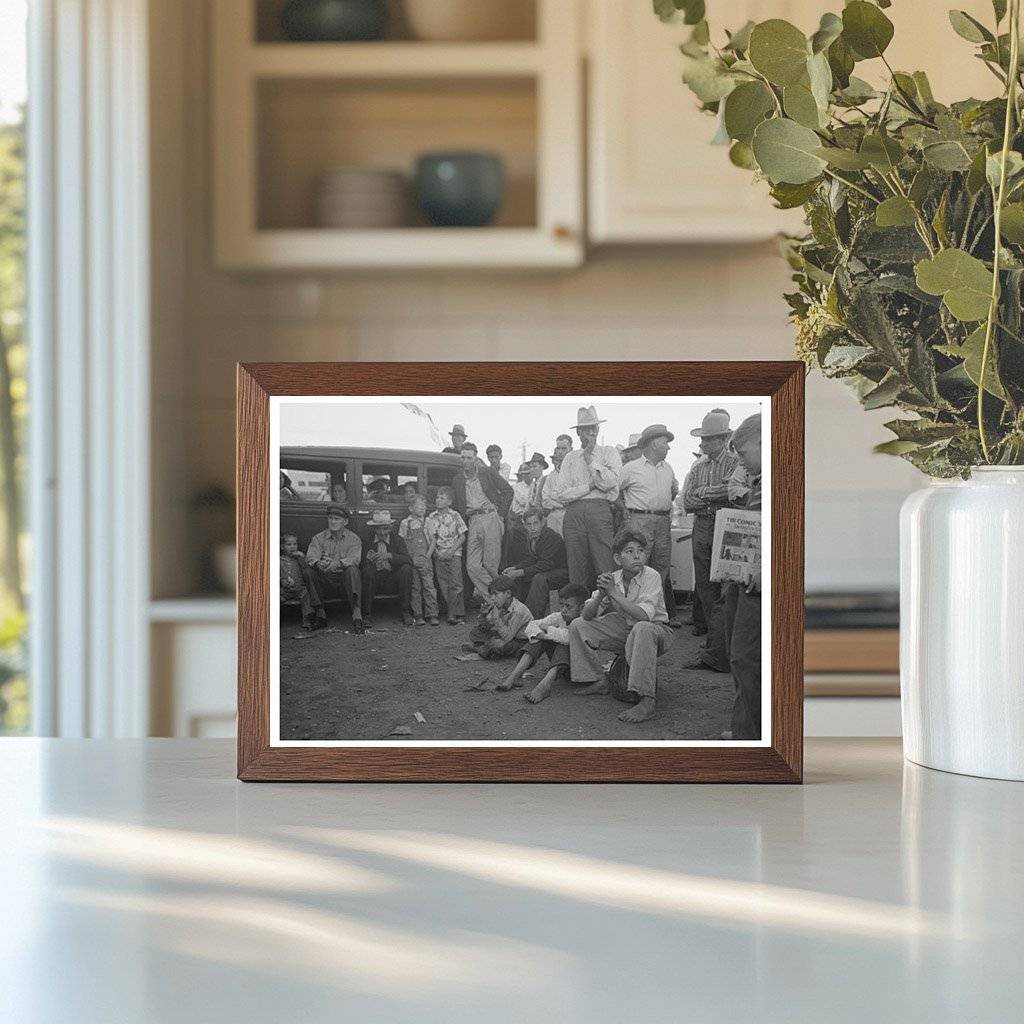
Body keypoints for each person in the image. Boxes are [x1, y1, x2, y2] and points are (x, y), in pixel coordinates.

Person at [569, 527, 675, 724]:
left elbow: (643, 615)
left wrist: (613, 593)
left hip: (655, 630)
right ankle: (598, 680)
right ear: (618, 559)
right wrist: (601, 593)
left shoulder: (651, 575)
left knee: (642, 627)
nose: (637, 556)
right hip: (626, 629)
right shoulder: (614, 578)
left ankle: (646, 699)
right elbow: (586, 615)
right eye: (629, 551)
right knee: (578, 625)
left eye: (641, 551)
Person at [681, 409, 739, 673]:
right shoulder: (698, 467)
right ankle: (715, 650)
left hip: (726, 527)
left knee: (724, 589)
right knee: (705, 588)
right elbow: (687, 500)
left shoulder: (735, 463)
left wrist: (704, 494)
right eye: (703, 439)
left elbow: (734, 491)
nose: (703, 443)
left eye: (708, 438)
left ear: (722, 439)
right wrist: (712, 495)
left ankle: (719, 652)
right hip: (703, 526)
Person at [721, 414, 762, 741]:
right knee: (741, 657)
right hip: (744, 580)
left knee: (745, 658)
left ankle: (751, 736)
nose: (742, 463)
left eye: (745, 454)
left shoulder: (776, 480)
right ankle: (743, 727)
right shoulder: (761, 481)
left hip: (759, 584)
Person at [618, 423, 681, 628]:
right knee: (636, 565)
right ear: (654, 444)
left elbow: (672, 492)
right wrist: (626, 511)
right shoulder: (630, 468)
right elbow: (614, 493)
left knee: (661, 567)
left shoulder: (668, 468)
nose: (669, 448)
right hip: (639, 520)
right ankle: (633, 615)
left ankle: (655, 615)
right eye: (665, 443)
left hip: (663, 520)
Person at [558, 405, 622, 591]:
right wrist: (590, 486)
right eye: (585, 429)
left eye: (593, 428)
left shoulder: (609, 452)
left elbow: (610, 482)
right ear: (578, 432)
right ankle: (578, 613)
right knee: (576, 564)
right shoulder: (570, 457)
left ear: (598, 429)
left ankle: (611, 608)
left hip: (599, 510)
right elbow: (561, 493)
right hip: (574, 512)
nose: (589, 433)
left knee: (605, 560)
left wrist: (590, 459)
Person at [497, 582, 589, 702]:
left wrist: (548, 632)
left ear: (581, 608)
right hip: (562, 667)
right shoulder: (559, 617)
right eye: (561, 605)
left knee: (562, 644)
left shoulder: (584, 621)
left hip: (579, 671)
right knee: (538, 639)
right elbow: (532, 625)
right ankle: (515, 675)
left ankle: (545, 685)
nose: (563, 610)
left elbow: (568, 638)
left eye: (568, 606)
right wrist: (541, 634)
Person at [452, 441, 513, 605]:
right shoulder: (458, 479)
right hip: (472, 521)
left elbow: (508, 491)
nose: (465, 461)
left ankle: (501, 605)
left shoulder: (487, 472)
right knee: (472, 566)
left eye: (469, 457)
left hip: (490, 517)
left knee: (491, 565)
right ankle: (498, 600)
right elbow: (457, 504)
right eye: (463, 457)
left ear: (475, 458)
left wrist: (500, 515)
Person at [500, 507, 569, 618]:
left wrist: (519, 572)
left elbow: (545, 564)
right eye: (529, 524)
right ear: (525, 525)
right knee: (523, 577)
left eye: (535, 523)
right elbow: (532, 559)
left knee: (538, 578)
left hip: (563, 572)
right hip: (548, 570)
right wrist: (516, 568)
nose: (532, 528)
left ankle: (531, 619)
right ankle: (515, 615)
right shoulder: (531, 536)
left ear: (542, 522)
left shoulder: (550, 536)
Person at [305, 505, 364, 633]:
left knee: (353, 570)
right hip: (325, 579)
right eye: (330, 518)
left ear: (345, 522)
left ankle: (357, 615)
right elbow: (311, 556)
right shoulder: (318, 538)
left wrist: (337, 563)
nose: (332, 521)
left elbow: (355, 559)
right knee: (309, 572)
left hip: (344, 580)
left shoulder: (354, 539)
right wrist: (318, 563)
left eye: (337, 519)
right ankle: (321, 614)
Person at [456, 576, 532, 661]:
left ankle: (481, 649)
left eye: (495, 594)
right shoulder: (500, 605)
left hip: (520, 641)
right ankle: (486, 649)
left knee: (502, 646)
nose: (492, 598)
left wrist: (496, 619)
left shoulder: (518, 611)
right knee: (475, 632)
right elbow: (487, 627)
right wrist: (484, 615)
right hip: (504, 635)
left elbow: (507, 637)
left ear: (508, 594)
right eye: (491, 594)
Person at [360, 509, 414, 628]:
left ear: (390, 527)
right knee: (367, 571)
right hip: (374, 579)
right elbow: (360, 563)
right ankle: (366, 615)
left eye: (385, 528)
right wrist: (370, 560)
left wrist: (390, 556)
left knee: (406, 569)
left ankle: (406, 612)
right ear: (374, 529)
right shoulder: (367, 540)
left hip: (392, 578)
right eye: (378, 529)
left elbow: (408, 560)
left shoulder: (398, 539)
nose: (382, 532)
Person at [427, 485, 467, 625]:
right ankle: (451, 611)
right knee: (443, 583)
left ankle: (456, 613)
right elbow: (431, 538)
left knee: (456, 583)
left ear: (449, 502)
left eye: (442, 498)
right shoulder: (431, 517)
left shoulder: (455, 515)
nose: (438, 500)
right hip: (439, 554)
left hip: (454, 553)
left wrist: (451, 551)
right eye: (437, 497)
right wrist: (437, 552)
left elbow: (462, 537)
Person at [399, 494, 439, 626]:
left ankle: (432, 614)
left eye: (424, 506)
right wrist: (409, 558)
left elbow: (433, 541)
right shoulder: (405, 523)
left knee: (429, 586)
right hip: (412, 560)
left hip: (425, 559)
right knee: (415, 587)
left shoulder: (428, 522)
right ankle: (418, 614)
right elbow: (402, 542)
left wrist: (427, 556)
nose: (422, 508)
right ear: (411, 508)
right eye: (418, 506)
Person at [280, 532, 326, 630]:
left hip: (299, 589)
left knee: (307, 595)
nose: (292, 547)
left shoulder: (299, 559)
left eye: (294, 544)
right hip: (284, 590)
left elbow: (306, 569)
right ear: (282, 547)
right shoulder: (279, 560)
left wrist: (302, 557)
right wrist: (282, 581)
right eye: (288, 544)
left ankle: (308, 619)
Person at [541, 434, 573, 536]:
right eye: (558, 448)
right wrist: (561, 503)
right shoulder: (551, 476)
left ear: (570, 449)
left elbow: (575, 495)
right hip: (554, 516)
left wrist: (556, 497)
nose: (560, 452)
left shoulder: (575, 470)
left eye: (564, 448)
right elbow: (545, 500)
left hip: (571, 515)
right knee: (554, 547)